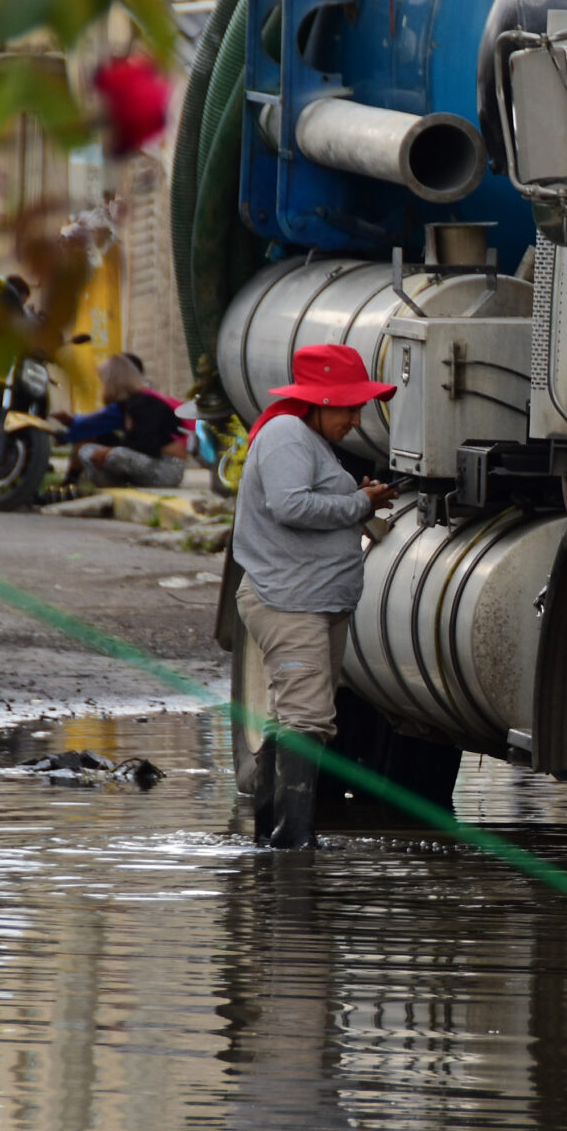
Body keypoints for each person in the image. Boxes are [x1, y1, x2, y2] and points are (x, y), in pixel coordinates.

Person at [230, 343, 399, 848]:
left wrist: (357, 499)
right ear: (317, 402)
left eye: (358, 406)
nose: (355, 417)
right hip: (289, 600)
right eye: (346, 406)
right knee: (308, 719)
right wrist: (356, 503)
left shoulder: (305, 440)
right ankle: (293, 842)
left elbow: (310, 501)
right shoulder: (286, 435)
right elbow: (289, 506)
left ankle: (270, 837)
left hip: (311, 599)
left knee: (292, 717)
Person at [55, 355, 188, 490]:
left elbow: (149, 445)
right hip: (143, 460)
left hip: (165, 467)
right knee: (86, 451)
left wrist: (109, 450)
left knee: (115, 455)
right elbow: (96, 424)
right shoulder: (124, 405)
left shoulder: (144, 403)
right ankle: (111, 486)